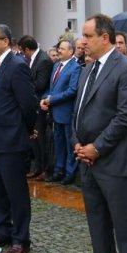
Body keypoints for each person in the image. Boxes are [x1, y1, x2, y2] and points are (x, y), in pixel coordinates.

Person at [71, 14, 127, 253]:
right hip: (87, 160)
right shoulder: (87, 69)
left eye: (88, 36)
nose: (83, 41)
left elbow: (126, 117)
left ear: (105, 37)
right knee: (97, 219)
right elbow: (78, 111)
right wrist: (76, 142)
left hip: (114, 160)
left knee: (123, 222)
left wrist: (97, 148)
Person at [0, 24, 38, 253]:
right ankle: (2, 232)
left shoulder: (17, 65)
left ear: (6, 41)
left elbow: (29, 104)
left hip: (11, 141)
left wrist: (25, 130)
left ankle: (21, 239)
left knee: (16, 192)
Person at [40, 39, 81, 184]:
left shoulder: (75, 67)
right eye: (58, 48)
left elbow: (72, 90)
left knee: (69, 144)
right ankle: (59, 169)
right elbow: (52, 88)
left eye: (62, 49)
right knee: (58, 143)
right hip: (55, 112)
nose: (59, 51)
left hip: (66, 112)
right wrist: (44, 99)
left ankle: (70, 172)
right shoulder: (56, 65)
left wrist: (52, 100)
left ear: (71, 51)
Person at [19, 35, 54, 180]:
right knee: (34, 139)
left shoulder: (43, 60)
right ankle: (38, 167)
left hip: (41, 106)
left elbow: (41, 83)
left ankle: (45, 169)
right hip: (33, 105)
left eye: (22, 51)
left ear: (27, 49)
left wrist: (23, 85)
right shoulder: (33, 59)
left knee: (40, 139)